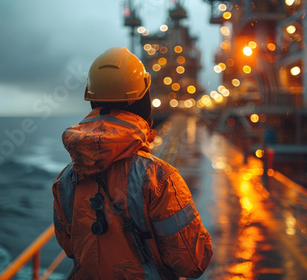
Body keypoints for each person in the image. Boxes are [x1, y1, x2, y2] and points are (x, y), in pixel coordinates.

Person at [52, 47, 212, 279]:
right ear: (142, 100)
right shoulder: (159, 177)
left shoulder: (65, 180)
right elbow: (193, 262)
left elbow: (69, 248)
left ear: (92, 99)